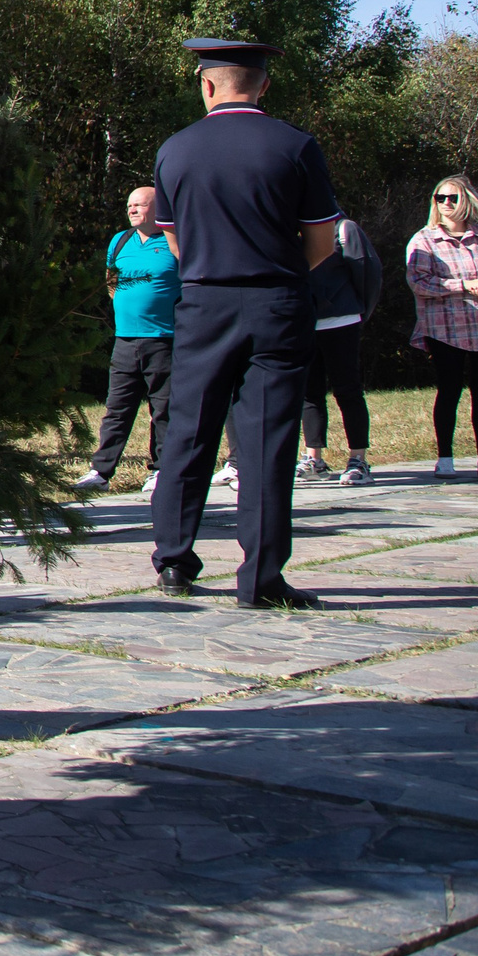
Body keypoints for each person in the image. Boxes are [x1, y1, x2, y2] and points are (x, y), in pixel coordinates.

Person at [148, 38, 340, 609]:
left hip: (204, 301)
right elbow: (324, 241)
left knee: (190, 429)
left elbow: (174, 240)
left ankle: (174, 562)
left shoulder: (176, 150)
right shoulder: (296, 146)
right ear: (264, 85)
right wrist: (276, 273)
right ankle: (260, 578)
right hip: (277, 300)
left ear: (206, 84)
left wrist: (216, 271)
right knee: (265, 437)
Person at [406, 176, 478, 480]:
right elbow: (418, 282)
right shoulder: (424, 240)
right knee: (449, 390)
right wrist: (464, 285)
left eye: (452, 198)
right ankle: (445, 459)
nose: (446, 204)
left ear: (466, 200)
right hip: (445, 328)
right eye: (440, 198)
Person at [77, 187, 181, 493]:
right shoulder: (120, 240)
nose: (132, 210)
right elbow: (111, 280)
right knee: (117, 407)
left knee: (164, 408)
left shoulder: (175, 241)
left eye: (139, 205)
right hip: (125, 339)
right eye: (129, 205)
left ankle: (162, 470)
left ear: (158, 208)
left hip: (165, 339)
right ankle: (100, 472)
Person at [299, 213, 384, 483]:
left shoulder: (345, 229)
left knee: (347, 390)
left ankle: (358, 459)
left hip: (341, 320)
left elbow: (368, 273)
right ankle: (314, 460)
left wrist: (358, 311)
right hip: (303, 322)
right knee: (309, 393)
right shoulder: (289, 227)